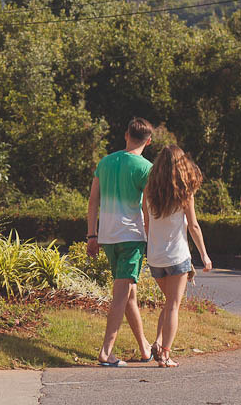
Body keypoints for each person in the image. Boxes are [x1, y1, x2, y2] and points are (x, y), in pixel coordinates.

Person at [87, 116, 154, 367]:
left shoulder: (104, 162)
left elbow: (93, 201)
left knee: (129, 296)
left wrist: (92, 235)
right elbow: (147, 208)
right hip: (131, 238)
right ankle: (106, 352)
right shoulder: (146, 168)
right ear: (148, 141)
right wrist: (150, 238)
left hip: (108, 238)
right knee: (121, 296)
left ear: (126, 135)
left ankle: (144, 348)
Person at [143, 144, 213, 368]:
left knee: (168, 303)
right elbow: (193, 226)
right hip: (177, 257)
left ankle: (157, 342)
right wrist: (204, 255)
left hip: (155, 258)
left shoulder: (150, 192)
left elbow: (146, 223)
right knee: (173, 305)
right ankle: (164, 354)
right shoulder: (185, 193)